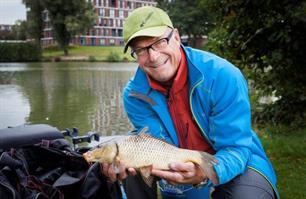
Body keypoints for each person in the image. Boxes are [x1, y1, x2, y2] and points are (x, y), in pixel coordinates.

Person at [102, 6, 279, 199]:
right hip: (178, 166)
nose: (153, 56)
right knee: (126, 164)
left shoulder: (223, 76)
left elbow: (236, 148)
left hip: (237, 163)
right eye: (141, 50)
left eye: (160, 42)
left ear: (176, 37)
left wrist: (204, 173)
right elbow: (159, 149)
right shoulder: (134, 95)